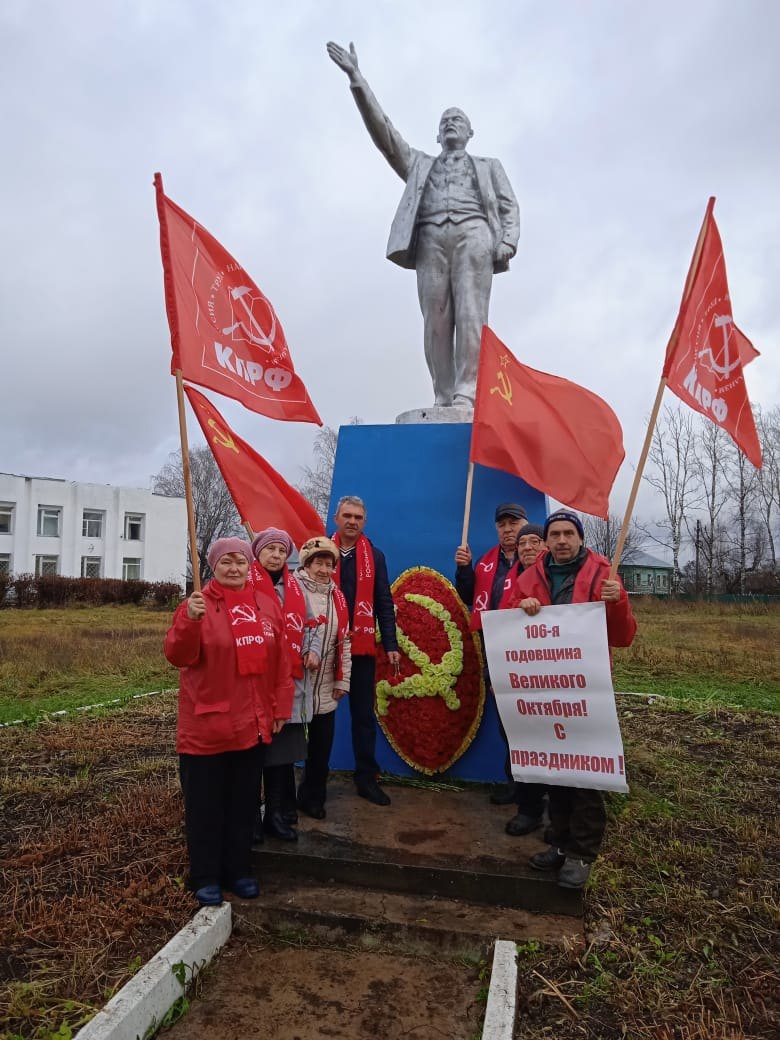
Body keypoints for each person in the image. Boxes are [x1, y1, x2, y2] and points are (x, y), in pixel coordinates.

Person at [327, 41, 520, 408]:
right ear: (436, 136)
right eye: (445, 121)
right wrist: (357, 80)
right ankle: (443, 394)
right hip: (430, 238)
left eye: (458, 120)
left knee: (470, 314)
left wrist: (508, 238)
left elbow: (510, 206)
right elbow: (384, 135)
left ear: (469, 133)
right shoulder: (418, 164)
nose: (450, 123)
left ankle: (467, 391)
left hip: (474, 235)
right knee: (435, 318)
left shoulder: (489, 165)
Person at [504, 509, 637, 889]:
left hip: (585, 690)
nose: (562, 540)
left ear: (580, 537)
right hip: (545, 690)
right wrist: (520, 608)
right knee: (557, 771)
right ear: (546, 542)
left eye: (569, 533)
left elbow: (624, 636)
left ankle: (582, 852)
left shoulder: (603, 574)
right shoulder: (530, 577)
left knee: (586, 773)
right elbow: (507, 620)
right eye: (555, 534)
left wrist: (618, 601)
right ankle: (561, 844)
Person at [164, 537, 294, 907]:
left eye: (240, 561)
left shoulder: (266, 605)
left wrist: (280, 708)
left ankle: (239, 871)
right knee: (206, 806)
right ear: (213, 566)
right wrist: (190, 621)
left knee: (243, 805)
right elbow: (179, 655)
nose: (234, 568)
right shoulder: (198, 605)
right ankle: (205, 875)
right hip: (207, 728)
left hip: (251, 726)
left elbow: (280, 662)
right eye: (226, 562)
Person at [250, 528, 321, 842]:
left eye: (282, 550)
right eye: (270, 549)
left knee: (280, 758)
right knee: (250, 757)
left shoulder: (296, 589)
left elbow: (310, 627)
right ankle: (250, 818)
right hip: (253, 684)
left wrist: (311, 649)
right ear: (258, 553)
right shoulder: (246, 584)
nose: (276, 555)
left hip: (287, 684)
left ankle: (276, 815)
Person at [455, 502, 527, 806]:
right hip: (496, 647)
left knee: (534, 720)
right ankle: (517, 783)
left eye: (514, 523)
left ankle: (541, 788)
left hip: (532, 649)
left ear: (525, 524)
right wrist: (463, 570)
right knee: (507, 719)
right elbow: (468, 597)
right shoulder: (486, 562)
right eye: (502, 525)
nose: (508, 529)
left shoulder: (538, 559)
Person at [331, 495, 399, 805]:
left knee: (363, 715)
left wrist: (391, 643)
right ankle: (314, 782)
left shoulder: (376, 555)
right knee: (320, 717)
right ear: (337, 518)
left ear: (365, 521)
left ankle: (366, 778)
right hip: (325, 645)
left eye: (358, 517)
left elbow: (384, 600)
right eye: (347, 515)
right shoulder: (321, 552)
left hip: (361, 646)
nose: (352, 521)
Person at [293, 536, 352, 819]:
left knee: (321, 749)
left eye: (329, 564)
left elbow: (346, 641)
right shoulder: (292, 591)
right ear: (306, 563)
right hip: (295, 685)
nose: (324, 569)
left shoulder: (338, 597)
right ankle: (281, 805)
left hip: (326, 687)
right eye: (318, 562)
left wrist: (343, 681)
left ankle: (313, 798)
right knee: (285, 751)